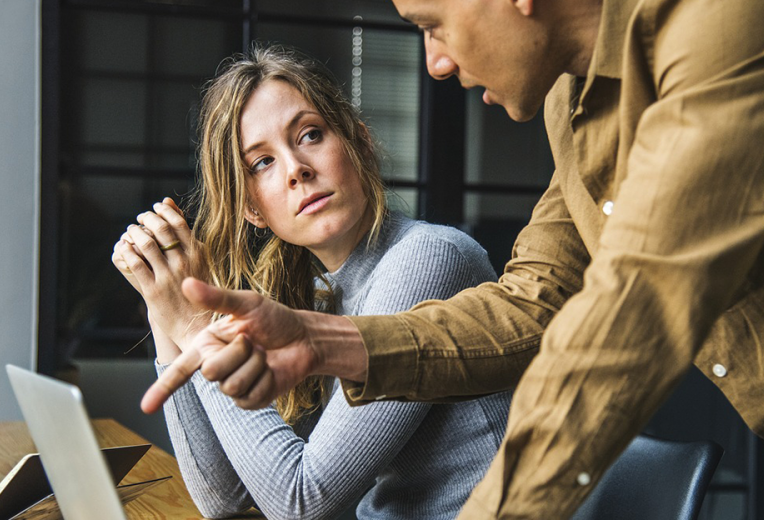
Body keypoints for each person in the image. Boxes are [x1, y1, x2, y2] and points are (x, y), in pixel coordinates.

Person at [145, 0, 764, 518]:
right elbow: (534, 303)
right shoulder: (573, 104)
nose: (435, 61)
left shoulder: (733, 20)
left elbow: (635, 309)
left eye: (434, 22)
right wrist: (321, 342)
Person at [115, 45, 512, 520]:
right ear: (252, 209)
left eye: (309, 135)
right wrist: (164, 302)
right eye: (261, 162)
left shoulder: (428, 258)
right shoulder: (321, 295)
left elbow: (301, 502)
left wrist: (195, 325)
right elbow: (220, 497)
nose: (295, 169)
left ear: (360, 143)